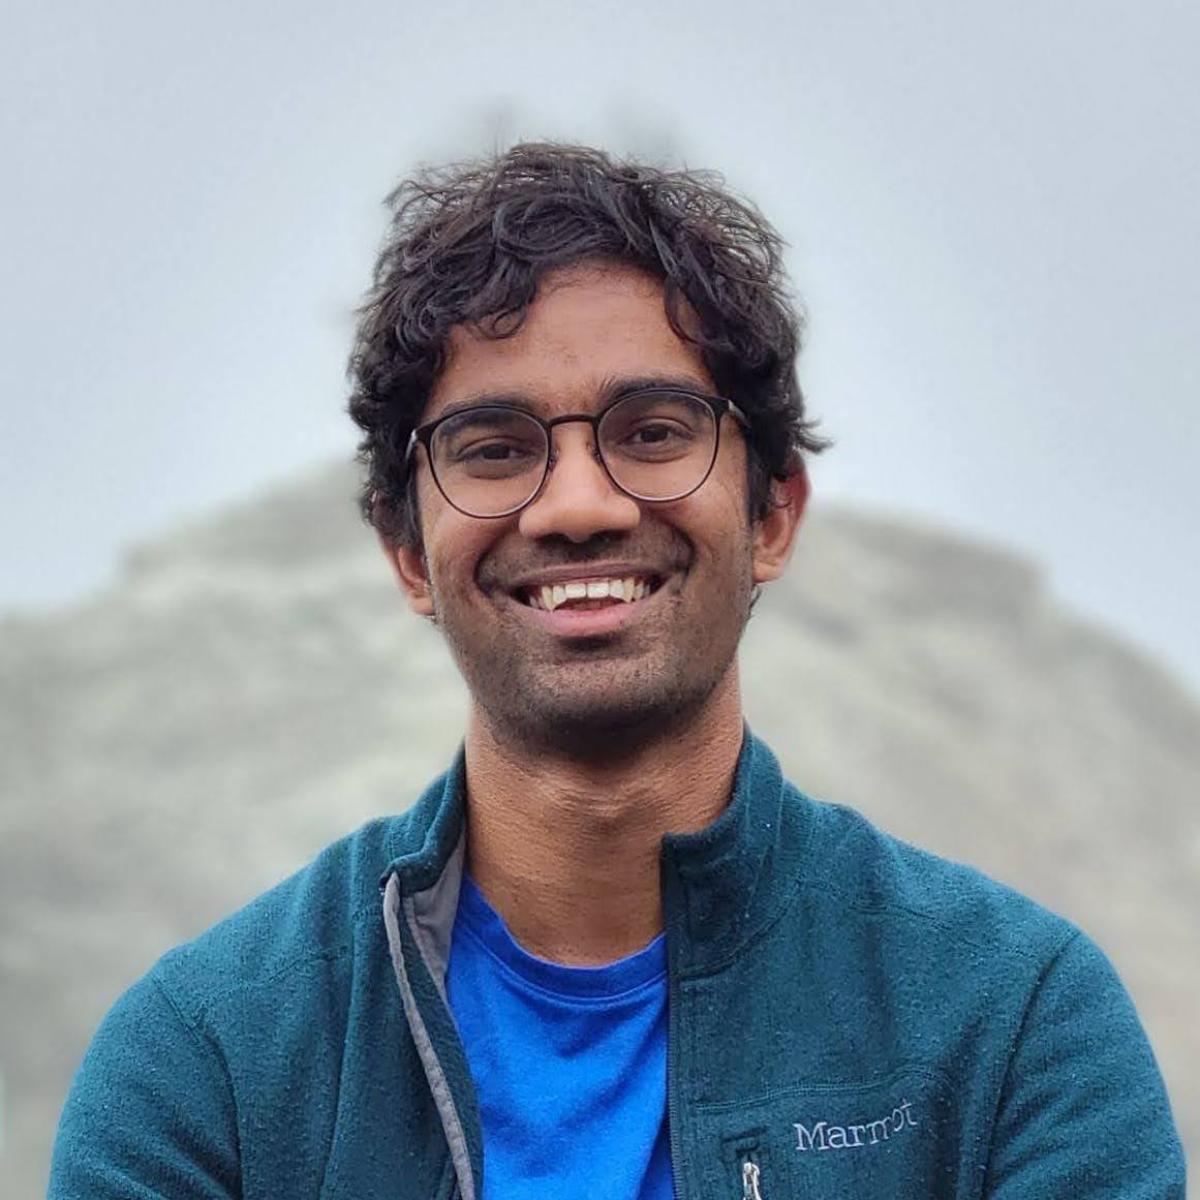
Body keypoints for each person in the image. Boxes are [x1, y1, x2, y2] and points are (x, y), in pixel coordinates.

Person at [49, 143, 1185, 1199]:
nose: (580, 506)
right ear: (406, 553)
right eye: (494, 448)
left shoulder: (1012, 1022)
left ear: (773, 515)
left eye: (653, 431)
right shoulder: (207, 1065)